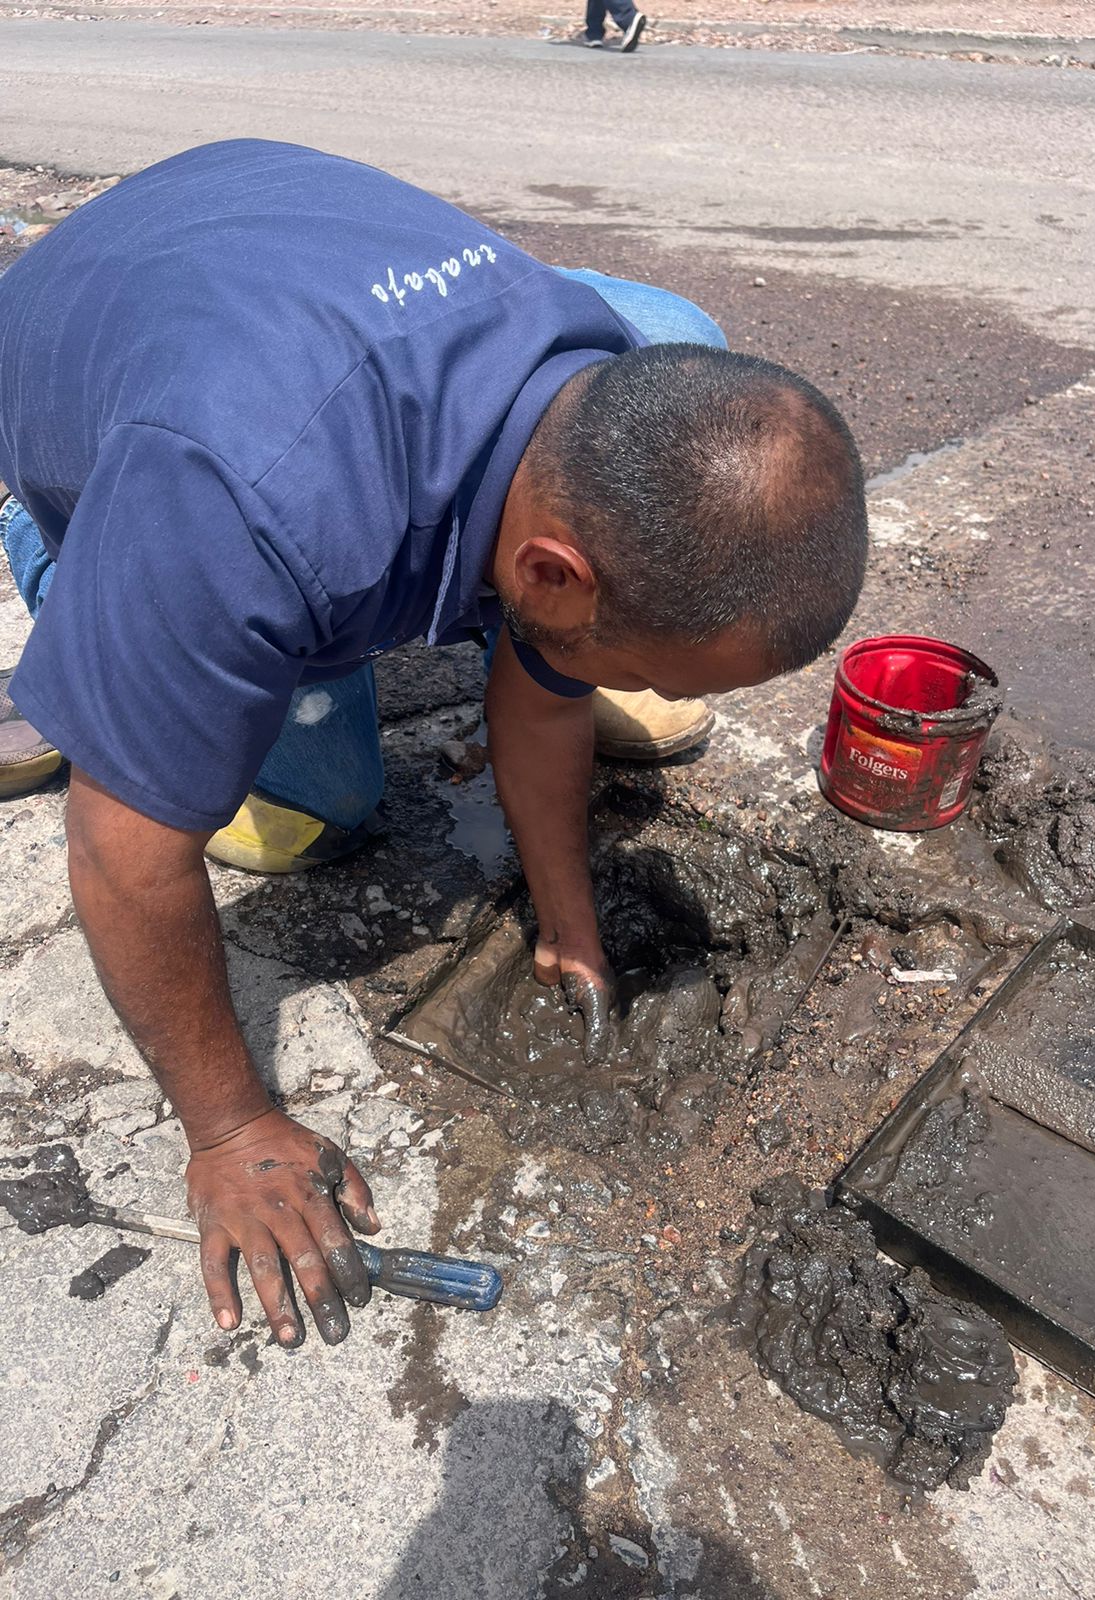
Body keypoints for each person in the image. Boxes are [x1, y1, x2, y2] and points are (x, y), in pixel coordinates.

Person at [0, 139, 867, 1350]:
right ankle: (67, 599)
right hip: (108, 379)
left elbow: (547, 676)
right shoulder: (249, 504)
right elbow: (121, 856)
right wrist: (232, 1130)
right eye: (636, 658)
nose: (645, 693)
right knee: (328, 809)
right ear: (553, 569)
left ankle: (184, 661)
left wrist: (568, 917)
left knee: (679, 327)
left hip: (252, 251)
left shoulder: (600, 374)